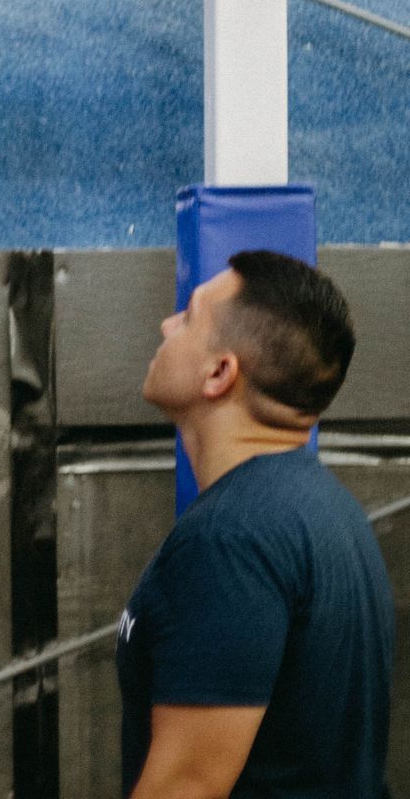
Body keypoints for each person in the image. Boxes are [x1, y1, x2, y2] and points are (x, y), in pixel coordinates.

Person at [118, 250, 393, 798]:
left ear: (219, 372)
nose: (166, 325)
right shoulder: (327, 507)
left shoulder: (229, 541)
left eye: (189, 318)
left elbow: (185, 788)